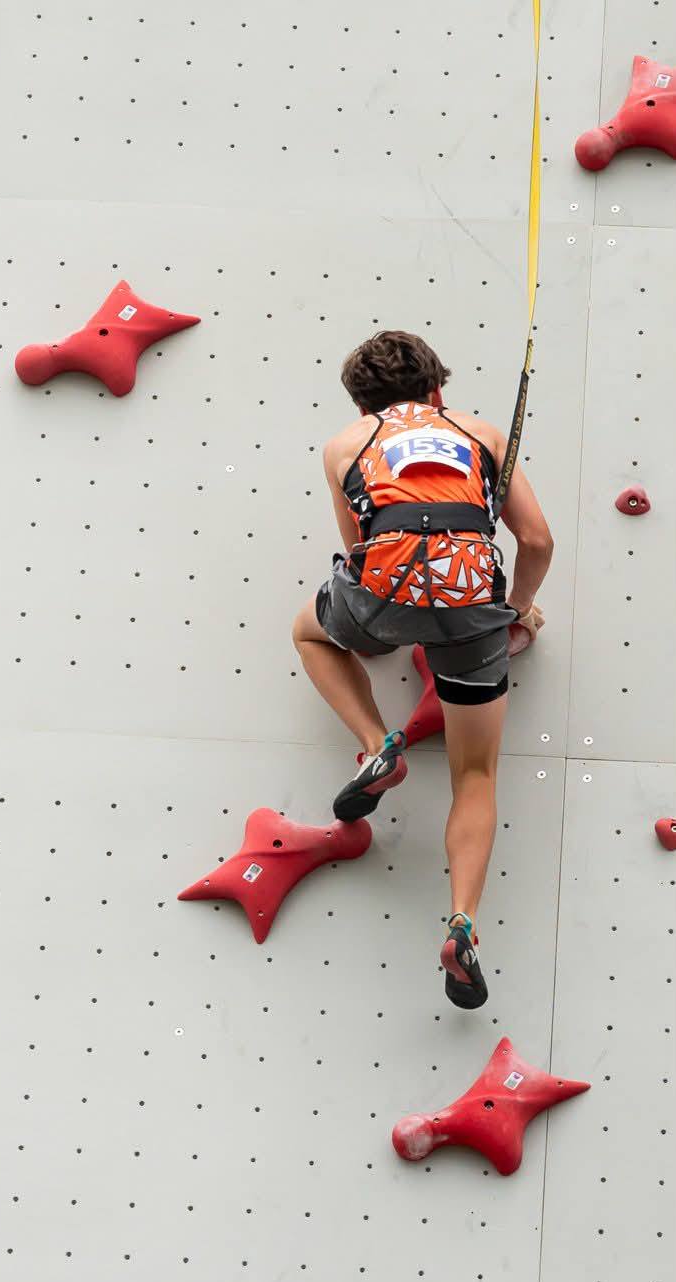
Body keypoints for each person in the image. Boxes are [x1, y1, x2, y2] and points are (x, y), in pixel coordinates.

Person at [292, 330, 553, 1009]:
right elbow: (536, 540)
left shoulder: (344, 444)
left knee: (310, 633)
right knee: (475, 776)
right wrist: (516, 611)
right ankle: (461, 923)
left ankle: (376, 745)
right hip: (470, 612)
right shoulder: (481, 433)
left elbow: (357, 546)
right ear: (437, 390)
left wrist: (380, 626)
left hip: (383, 599)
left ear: (360, 404)